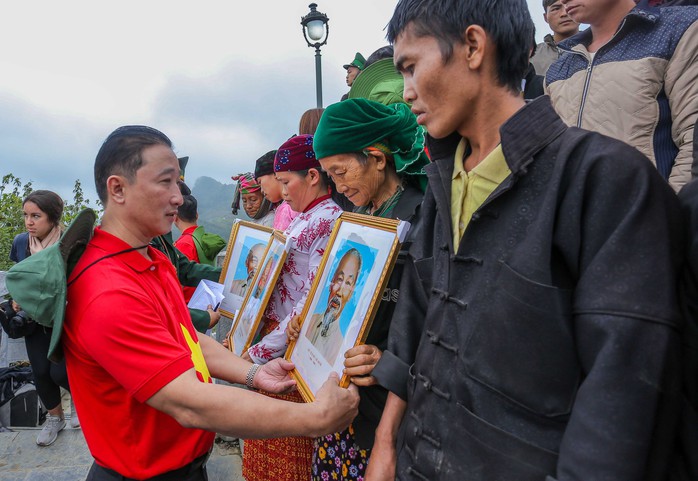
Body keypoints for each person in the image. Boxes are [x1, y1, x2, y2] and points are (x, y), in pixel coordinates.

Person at [363, 1, 684, 480]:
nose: (407, 93)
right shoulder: (440, 187)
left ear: (473, 46)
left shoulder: (604, 181)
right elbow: (414, 327)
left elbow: (622, 392)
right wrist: (386, 447)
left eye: (411, 67)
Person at [62, 125, 359, 481]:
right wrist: (317, 418)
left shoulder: (151, 260)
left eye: (178, 183)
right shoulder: (107, 289)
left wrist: (251, 372)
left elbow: (187, 338)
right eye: (165, 182)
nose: (178, 197)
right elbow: (189, 401)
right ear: (118, 188)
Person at [288, 97, 429, 481]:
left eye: (341, 171)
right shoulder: (357, 219)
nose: (338, 185)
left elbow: (426, 316)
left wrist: (386, 359)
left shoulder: (422, 215)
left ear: (378, 159)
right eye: (330, 175)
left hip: (388, 408)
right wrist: (310, 323)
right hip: (344, 402)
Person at [242, 134, 343, 481]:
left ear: (313, 176)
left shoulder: (329, 221)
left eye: (286, 182)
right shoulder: (303, 216)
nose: (282, 192)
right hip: (276, 340)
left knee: (288, 455)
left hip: (289, 349)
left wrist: (257, 351)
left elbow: (309, 300)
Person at [545, 0, 698, 191]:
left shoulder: (679, 29)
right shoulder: (558, 67)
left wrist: (669, 214)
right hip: (573, 214)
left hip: (650, 212)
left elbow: (692, 138)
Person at [8, 190, 79, 446]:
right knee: (40, 371)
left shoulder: (69, 243)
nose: (29, 222)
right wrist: (16, 299)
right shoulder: (20, 243)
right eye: (26, 215)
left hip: (63, 317)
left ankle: (80, 405)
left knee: (60, 372)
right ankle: (54, 418)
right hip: (33, 320)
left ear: (53, 217)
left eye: (36, 216)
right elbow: (18, 277)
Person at [306, 248, 362, 364]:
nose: (339, 292)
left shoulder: (341, 349)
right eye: (340, 279)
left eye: (348, 283)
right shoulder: (309, 320)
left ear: (351, 293)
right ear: (332, 282)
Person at [174, 193, 226, 303]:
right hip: (205, 300)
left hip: (190, 303)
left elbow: (179, 280)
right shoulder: (204, 237)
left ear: (175, 218)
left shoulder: (184, 244)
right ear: (197, 215)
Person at [530, 0, 579, 75]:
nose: (564, 13)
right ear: (546, 17)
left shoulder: (598, 51)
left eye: (570, 6)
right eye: (556, 9)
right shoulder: (532, 56)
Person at [254, 149, 298, 230]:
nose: (261, 191)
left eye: (260, 182)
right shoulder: (284, 207)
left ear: (275, 174)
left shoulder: (292, 208)